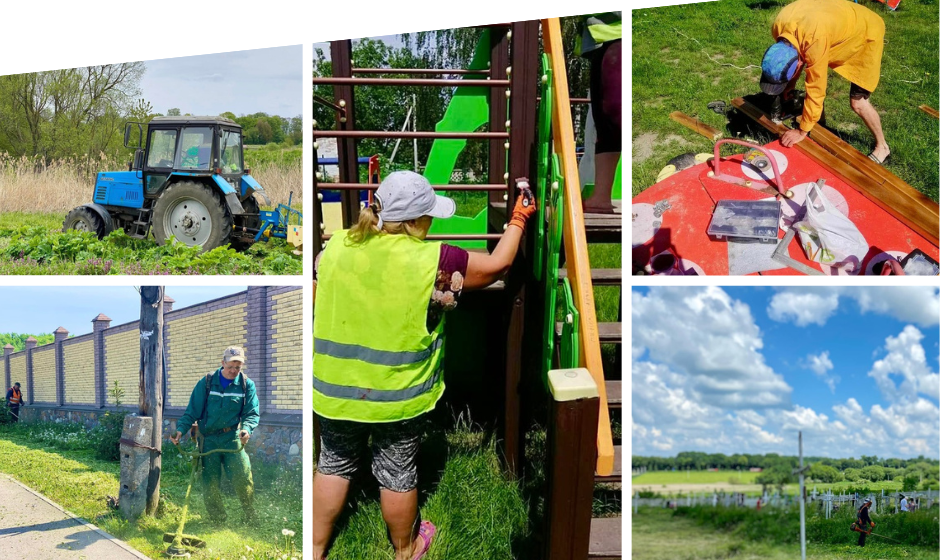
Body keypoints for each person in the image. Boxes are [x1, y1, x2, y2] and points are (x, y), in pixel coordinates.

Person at [311, 171, 536, 560]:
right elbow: (499, 263)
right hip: (396, 394)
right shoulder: (435, 260)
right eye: (429, 216)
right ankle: (406, 547)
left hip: (334, 388)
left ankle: (313, 549)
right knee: (397, 472)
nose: (431, 223)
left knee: (333, 464)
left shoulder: (337, 246)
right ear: (415, 222)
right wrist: (519, 217)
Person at [759, 0, 890, 164]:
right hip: (835, 19)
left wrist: (801, 131)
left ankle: (883, 147)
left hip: (865, 31)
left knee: (858, 102)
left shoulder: (814, 42)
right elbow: (796, 55)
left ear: (799, 61)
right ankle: (819, 123)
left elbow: (816, 89)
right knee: (812, 59)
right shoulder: (779, 28)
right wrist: (790, 84)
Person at [169, 346, 259, 523]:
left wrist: (246, 429)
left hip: (232, 438)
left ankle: (249, 513)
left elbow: (251, 413)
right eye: (231, 366)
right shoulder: (207, 382)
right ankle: (217, 518)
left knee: (243, 476)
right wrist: (180, 430)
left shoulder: (246, 385)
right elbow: (191, 411)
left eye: (238, 367)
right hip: (208, 439)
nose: (234, 371)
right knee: (210, 482)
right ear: (222, 363)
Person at [578, 12, 622, 214]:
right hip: (600, 37)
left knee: (616, 113)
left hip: (617, 32)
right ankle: (601, 196)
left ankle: (603, 195)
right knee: (604, 121)